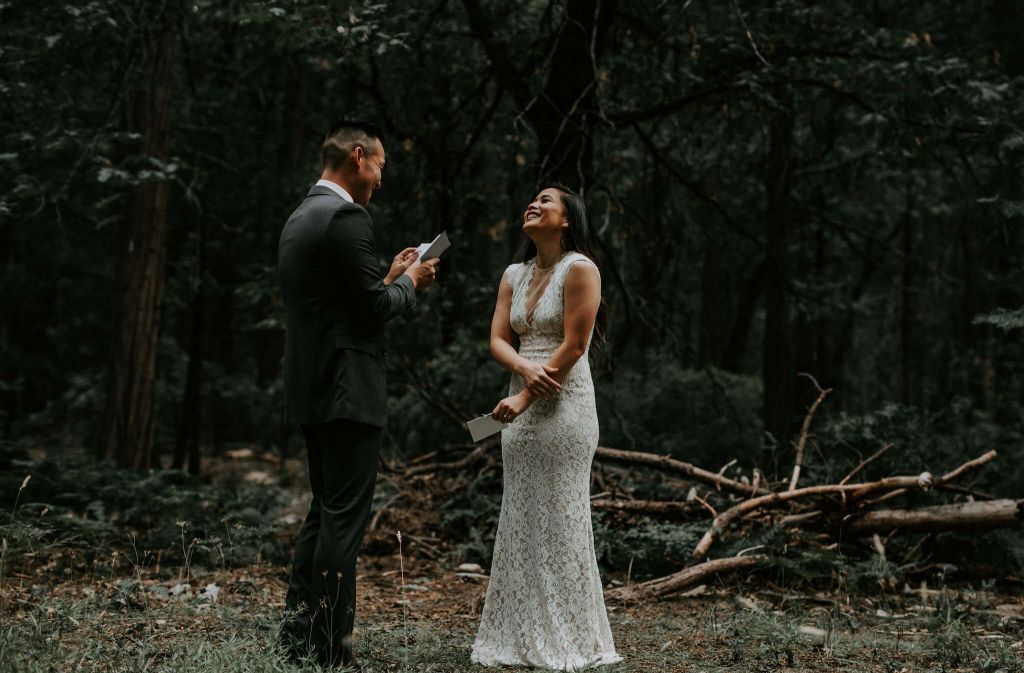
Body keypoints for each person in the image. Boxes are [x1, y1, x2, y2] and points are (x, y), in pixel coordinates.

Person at [277, 119, 439, 670]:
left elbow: (345, 299)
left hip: (312, 386)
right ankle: (330, 650)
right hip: (349, 390)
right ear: (358, 157)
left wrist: (389, 274)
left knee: (323, 514)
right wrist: (410, 284)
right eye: (380, 166)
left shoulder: (302, 216)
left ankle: (298, 639)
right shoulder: (347, 215)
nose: (380, 179)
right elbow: (374, 311)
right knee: (342, 522)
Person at [471, 184, 621, 670]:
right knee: (520, 515)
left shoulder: (580, 270)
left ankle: (571, 637)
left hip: (564, 406)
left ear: (567, 220)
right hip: (518, 405)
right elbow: (497, 338)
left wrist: (526, 392)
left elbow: (575, 345)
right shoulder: (513, 273)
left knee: (561, 517)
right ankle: (516, 636)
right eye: (531, 199)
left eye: (547, 202)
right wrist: (520, 371)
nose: (533, 204)